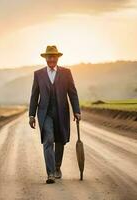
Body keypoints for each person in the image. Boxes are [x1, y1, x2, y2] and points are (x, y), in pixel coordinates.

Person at [28, 45, 81, 184]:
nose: (51, 59)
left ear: (58, 58)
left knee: (60, 140)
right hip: (45, 113)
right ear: (45, 58)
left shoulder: (66, 73)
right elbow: (34, 96)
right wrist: (31, 115)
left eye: (54, 56)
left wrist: (77, 111)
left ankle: (57, 167)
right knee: (48, 140)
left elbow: (72, 93)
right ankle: (50, 173)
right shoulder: (38, 74)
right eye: (49, 56)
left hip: (62, 112)